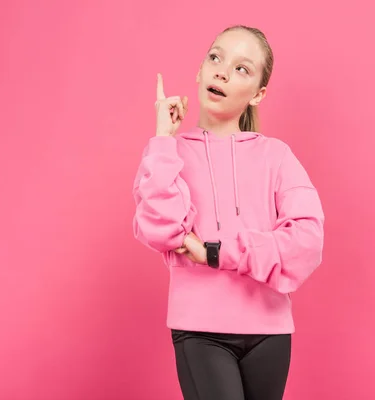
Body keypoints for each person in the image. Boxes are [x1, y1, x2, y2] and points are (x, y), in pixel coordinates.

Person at [132, 24, 325, 400]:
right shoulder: (169, 152)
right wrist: (162, 138)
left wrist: (217, 252)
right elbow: (161, 229)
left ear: (259, 94)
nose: (221, 70)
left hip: (270, 332)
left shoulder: (277, 156)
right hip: (201, 330)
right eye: (216, 58)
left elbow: (307, 241)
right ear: (201, 71)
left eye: (242, 68)